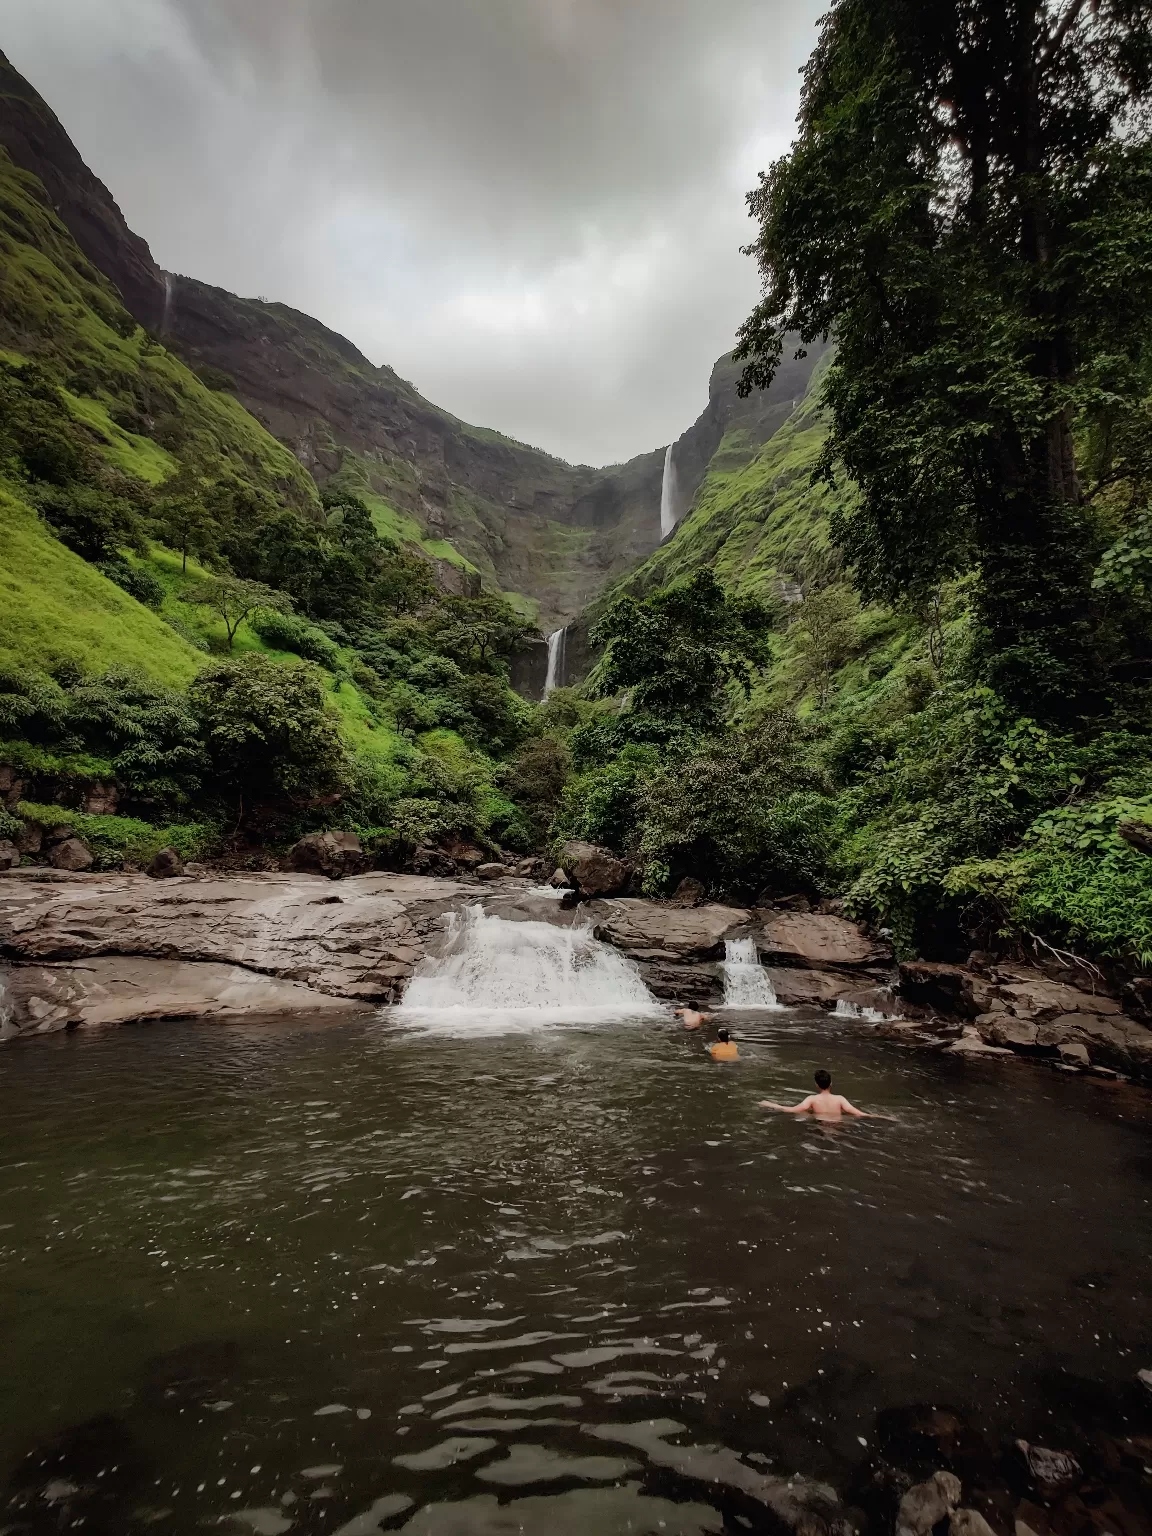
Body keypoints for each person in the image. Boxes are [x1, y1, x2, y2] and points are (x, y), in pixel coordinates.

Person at [760, 1068, 879, 1118]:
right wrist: (883, 1117)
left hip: (820, 1126)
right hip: (839, 1128)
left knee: (804, 1116)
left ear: (816, 1085)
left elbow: (791, 1110)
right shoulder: (840, 1099)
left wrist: (769, 1104)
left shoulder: (812, 1099)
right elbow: (860, 1114)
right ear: (831, 1083)